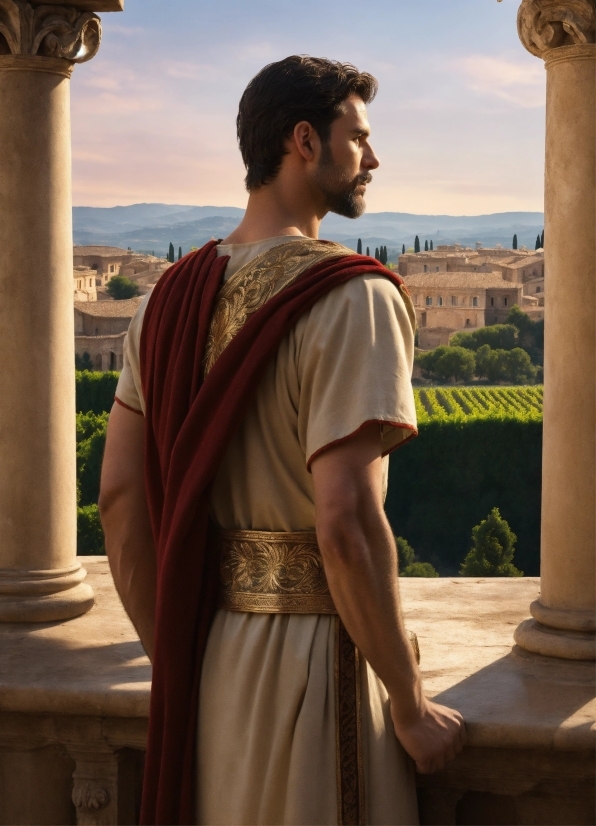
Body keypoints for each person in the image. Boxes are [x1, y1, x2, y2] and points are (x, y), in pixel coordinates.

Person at [99, 55, 465, 826]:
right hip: (320, 668)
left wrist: (177, 657)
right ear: (305, 141)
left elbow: (120, 501)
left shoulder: (167, 297)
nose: (373, 158)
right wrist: (407, 702)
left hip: (211, 664)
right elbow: (348, 526)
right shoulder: (354, 296)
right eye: (358, 137)